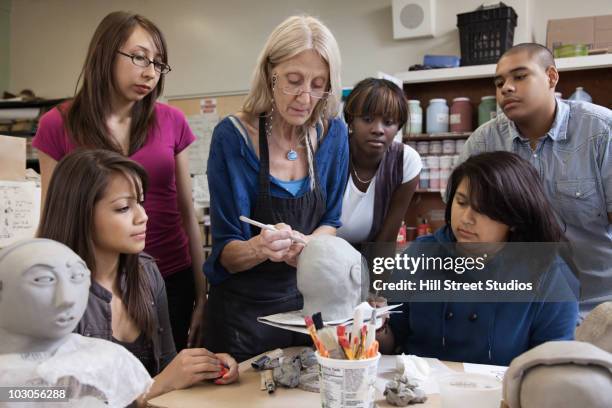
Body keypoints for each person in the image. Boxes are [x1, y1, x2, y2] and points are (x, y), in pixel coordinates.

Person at [32, 11, 205, 350]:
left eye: (158, 63)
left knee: (166, 382)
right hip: (92, 284)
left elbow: (189, 214)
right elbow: (53, 218)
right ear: (105, 52)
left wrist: (202, 295)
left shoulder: (171, 120)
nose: (150, 72)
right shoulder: (58, 124)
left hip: (170, 276)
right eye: (140, 57)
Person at [37, 149, 238, 403]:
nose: (143, 217)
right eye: (123, 208)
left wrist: (199, 369)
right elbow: (28, 395)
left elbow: (165, 367)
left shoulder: (146, 273)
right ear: (80, 213)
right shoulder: (45, 296)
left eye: (140, 202)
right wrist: (150, 390)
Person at [203, 15, 348, 361]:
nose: (305, 97)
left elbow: (332, 221)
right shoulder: (234, 138)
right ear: (270, 74)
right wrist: (259, 248)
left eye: (318, 84)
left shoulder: (333, 134)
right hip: (243, 318)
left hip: (308, 310)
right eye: (293, 81)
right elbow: (226, 253)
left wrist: (310, 247)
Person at [377, 152, 579, 365]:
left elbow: (552, 365)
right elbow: (394, 339)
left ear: (514, 217)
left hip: (502, 394)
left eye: (483, 210)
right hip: (420, 391)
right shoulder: (421, 253)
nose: (466, 219)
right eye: (461, 202)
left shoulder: (549, 273)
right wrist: (377, 327)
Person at [458, 43, 611, 313]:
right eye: (499, 81)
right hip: (511, 306)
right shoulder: (483, 142)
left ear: (551, 77)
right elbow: (458, 226)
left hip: (595, 308)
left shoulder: (601, 133)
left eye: (519, 76)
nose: (506, 87)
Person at [0, 238, 152, 407]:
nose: (67, 298)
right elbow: (13, 393)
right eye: (44, 280)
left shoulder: (104, 355)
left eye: (77, 276)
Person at [337, 78, 421, 245]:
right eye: (367, 119)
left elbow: (387, 238)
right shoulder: (332, 152)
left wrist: (375, 271)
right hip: (317, 251)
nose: (378, 130)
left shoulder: (405, 161)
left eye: (389, 122)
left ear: (399, 126)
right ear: (350, 120)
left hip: (366, 258)